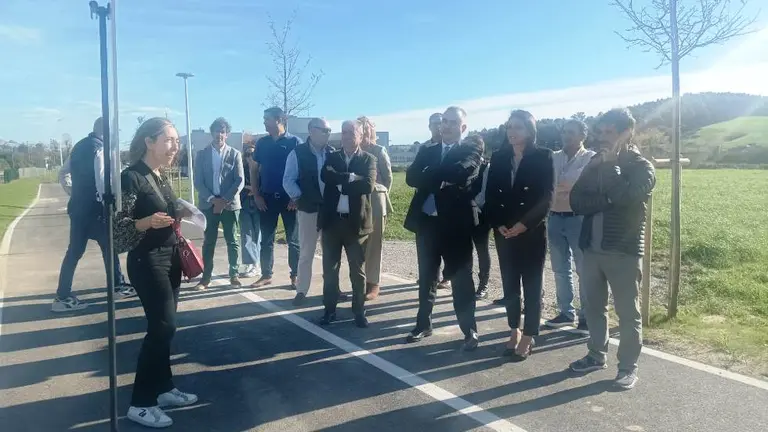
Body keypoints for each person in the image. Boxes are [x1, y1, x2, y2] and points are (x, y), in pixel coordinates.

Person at [115, 118, 197, 428]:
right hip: (147, 261)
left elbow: (169, 208)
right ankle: (141, 402)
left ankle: (163, 388)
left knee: (166, 328)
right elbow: (117, 232)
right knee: (163, 327)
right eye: (170, 140)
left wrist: (185, 210)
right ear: (149, 142)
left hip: (171, 257)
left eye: (177, 141)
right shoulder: (131, 178)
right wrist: (146, 222)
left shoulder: (161, 176)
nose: (176, 147)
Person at [568, 108, 656, 391]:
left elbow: (628, 197)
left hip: (623, 251)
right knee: (593, 307)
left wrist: (609, 169)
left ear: (626, 133)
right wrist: (607, 198)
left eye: (610, 132)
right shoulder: (593, 163)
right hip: (591, 250)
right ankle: (596, 354)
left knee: (628, 314)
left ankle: (628, 368)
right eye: (601, 132)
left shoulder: (642, 167)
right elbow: (576, 201)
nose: (603, 138)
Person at [403, 106, 483, 350]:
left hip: (456, 225)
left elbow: (461, 172)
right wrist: (441, 178)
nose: (445, 126)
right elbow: (410, 177)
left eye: (451, 122)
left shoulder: (471, 147)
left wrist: (430, 175)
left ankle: (469, 330)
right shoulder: (427, 149)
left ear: (463, 127)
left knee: (461, 278)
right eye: (443, 122)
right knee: (426, 276)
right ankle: (423, 324)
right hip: (427, 222)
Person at [485, 110, 554, 362]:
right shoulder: (499, 157)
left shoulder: (543, 156)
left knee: (532, 285)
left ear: (530, 131)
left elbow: (547, 197)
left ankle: (529, 334)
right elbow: (491, 195)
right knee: (510, 284)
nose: (512, 132)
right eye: (509, 127)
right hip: (504, 231)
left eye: (518, 127)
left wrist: (525, 224)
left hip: (531, 231)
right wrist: (499, 223)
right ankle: (513, 330)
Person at [52, 117, 134, 313]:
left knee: (75, 251)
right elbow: (103, 180)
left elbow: (63, 173)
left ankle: (62, 296)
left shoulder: (78, 147)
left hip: (78, 208)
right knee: (110, 245)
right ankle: (117, 285)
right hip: (96, 210)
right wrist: (111, 205)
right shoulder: (101, 149)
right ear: (106, 131)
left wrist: (74, 192)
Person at [317, 119, 377, 327]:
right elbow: (326, 176)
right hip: (332, 223)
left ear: (361, 136)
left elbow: (368, 185)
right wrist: (351, 177)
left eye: (351, 133)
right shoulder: (332, 157)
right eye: (344, 132)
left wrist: (341, 181)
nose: (347, 136)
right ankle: (329, 310)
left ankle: (359, 312)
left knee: (357, 272)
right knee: (330, 271)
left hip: (356, 226)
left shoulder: (369, 159)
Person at [544, 119, 596, 330]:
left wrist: (560, 186)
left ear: (582, 136)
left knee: (583, 268)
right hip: (555, 217)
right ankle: (566, 312)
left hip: (578, 218)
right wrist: (564, 186)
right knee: (559, 268)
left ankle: (586, 316)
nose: (566, 136)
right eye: (564, 132)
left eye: (571, 132)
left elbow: (579, 182)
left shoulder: (590, 157)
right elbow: (547, 182)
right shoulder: (553, 157)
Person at [282, 118, 336, 305]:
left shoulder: (332, 153)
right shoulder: (297, 153)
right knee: (306, 252)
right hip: (308, 210)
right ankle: (302, 290)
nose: (328, 134)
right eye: (324, 130)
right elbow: (288, 180)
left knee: (331, 253)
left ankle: (332, 289)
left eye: (329, 131)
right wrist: (301, 198)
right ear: (312, 130)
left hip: (330, 211)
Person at [250, 107, 301, 289]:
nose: (264, 122)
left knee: (293, 240)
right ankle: (266, 275)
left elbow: (303, 171)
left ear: (279, 120)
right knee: (266, 240)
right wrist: (256, 194)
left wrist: (296, 197)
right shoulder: (262, 143)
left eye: (267, 119)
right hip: (267, 199)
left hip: (290, 201)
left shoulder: (295, 142)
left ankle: (296, 275)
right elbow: (254, 169)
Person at [193, 117, 245, 289]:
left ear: (227, 134)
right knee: (209, 242)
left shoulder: (235, 154)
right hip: (209, 205)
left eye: (222, 132)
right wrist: (212, 199)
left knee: (232, 240)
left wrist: (224, 200)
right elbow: (198, 181)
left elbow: (239, 180)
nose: (219, 135)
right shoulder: (202, 155)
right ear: (212, 133)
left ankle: (234, 275)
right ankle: (205, 278)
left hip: (229, 205)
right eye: (216, 131)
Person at [357, 116, 393, 301]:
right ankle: (359, 281)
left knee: (374, 244)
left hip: (376, 200)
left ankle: (373, 283)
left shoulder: (379, 151)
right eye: (361, 129)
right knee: (356, 244)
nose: (365, 132)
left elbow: (388, 178)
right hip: (356, 201)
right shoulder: (353, 150)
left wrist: (379, 196)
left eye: (367, 128)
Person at [419, 112, 451, 290]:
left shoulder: (452, 147)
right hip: (427, 200)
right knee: (427, 243)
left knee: (445, 243)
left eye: (441, 123)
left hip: (446, 202)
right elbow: (415, 174)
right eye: (434, 123)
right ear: (429, 126)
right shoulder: (424, 148)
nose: (438, 126)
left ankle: (446, 276)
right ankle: (429, 276)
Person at [467, 135, 492, 300]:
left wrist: (473, 203)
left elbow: (484, 190)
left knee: (482, 249)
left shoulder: (486, 166)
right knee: (464, 250)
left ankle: (483, 283)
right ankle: (465, 283)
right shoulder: (464, 164)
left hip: (480, 213)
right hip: (462, 212)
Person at [239, 138, 260, 278]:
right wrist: (248, 188)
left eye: (252, 154)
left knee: (258, 235)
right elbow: (236, 183)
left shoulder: (261, 168)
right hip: (245, 203)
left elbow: (267, 182)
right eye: (247, 154)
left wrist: (257, 189)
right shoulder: (240, 168)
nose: (249, 157)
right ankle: (250, 262)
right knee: (246, 235)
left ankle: (256, 264)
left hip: (259, 204)